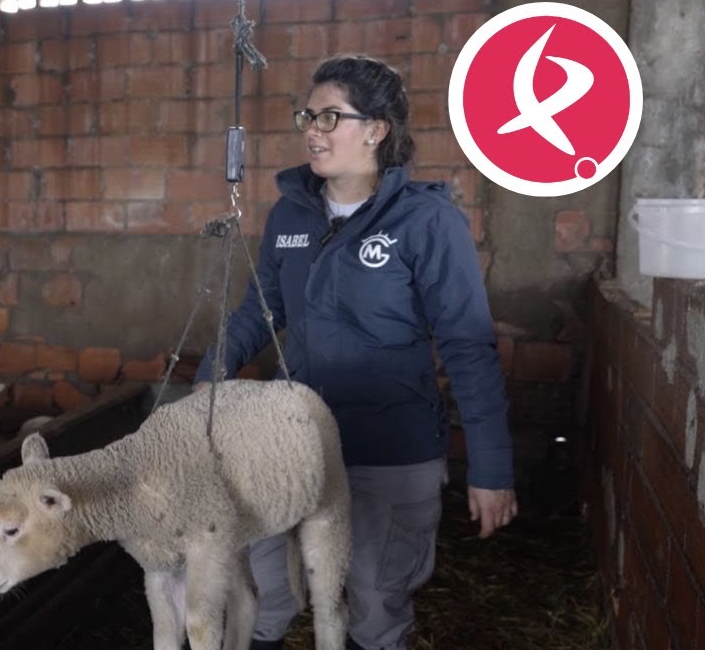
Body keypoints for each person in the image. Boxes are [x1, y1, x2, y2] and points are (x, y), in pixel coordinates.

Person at [194, 55, 517, 650]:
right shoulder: (290, 213)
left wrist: (491, 469)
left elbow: (468, 347)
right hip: (296, 444)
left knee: (373, 597)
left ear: (376, 130)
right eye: (307, 115)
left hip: (389, 450)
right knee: (268, 588)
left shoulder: (426, 222)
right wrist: (206, 384)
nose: (312, 129)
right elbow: (257, 312)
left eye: (330, 116)